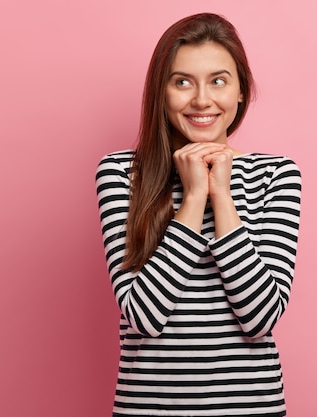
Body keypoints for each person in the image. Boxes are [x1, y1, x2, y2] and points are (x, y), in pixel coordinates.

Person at [96, 13, 301, 417]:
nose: (202, 100)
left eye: (219, 81)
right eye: (182, 81)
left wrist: (220, 195)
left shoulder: (276, 174)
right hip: (148, 408)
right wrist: (193, 199)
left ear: (241, 91)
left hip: (251, 408)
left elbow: (260, 316)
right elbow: (143, 315)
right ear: (162, 92)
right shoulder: (122, 173)